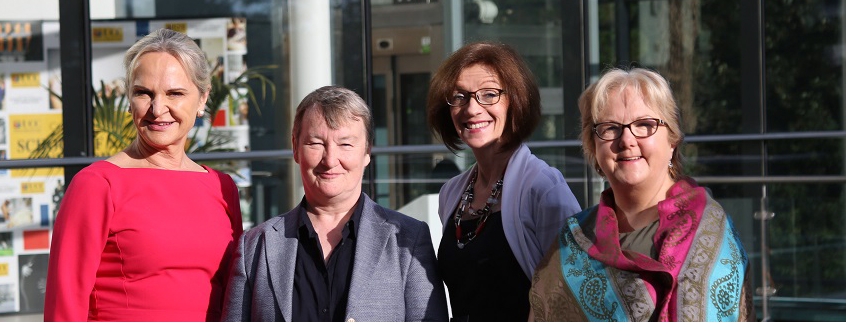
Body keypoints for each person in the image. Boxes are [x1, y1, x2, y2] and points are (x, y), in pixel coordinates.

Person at [45, 28, 243, 321]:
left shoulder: (221, 186)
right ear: (129, 98)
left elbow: (234, 293)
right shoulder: (98, 185)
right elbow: (65, 303)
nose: (157, 108)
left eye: (174, 93)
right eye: (143, 93)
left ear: (202, 100)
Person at [529, 68, 754, 321]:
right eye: (610, 128)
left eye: (644, 125)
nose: (626, 140)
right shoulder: (574, 240)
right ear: (593, 146)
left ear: (672, 141)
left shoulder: (710, 230)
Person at [223, 86, 447, 321]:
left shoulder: (408, 240)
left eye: (345, 144)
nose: (330, 160)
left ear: (367, 152)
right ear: (295, 148)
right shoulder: (255, 247)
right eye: (316, 143)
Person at [427, 42, 581, 320]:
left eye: (489, 94)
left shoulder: (544, 189)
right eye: (460, 96)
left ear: (516, 101)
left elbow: (573, 296)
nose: (472, 108)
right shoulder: (451, 194)